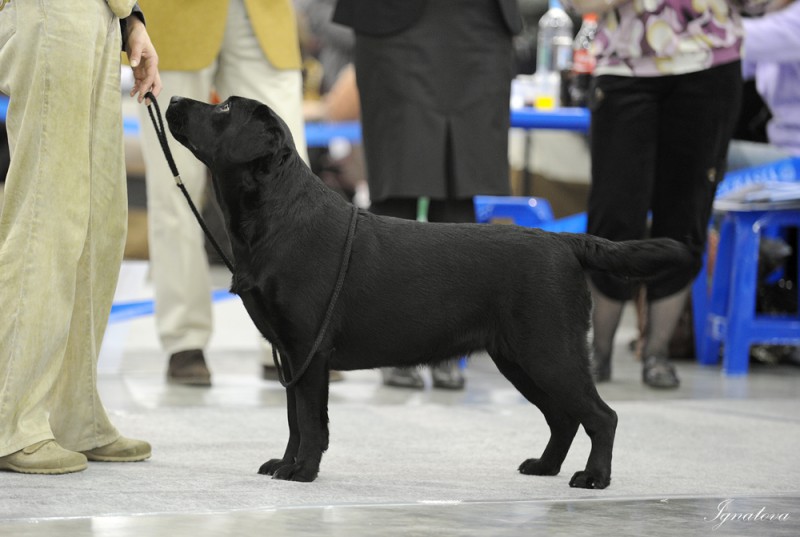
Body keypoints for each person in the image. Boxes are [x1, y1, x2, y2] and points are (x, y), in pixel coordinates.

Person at [560, 0, 768, 388]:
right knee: (613, 214)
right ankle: (597, 352)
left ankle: (657, 353)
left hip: (709, 62)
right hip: (624, 64)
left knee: (687, 213)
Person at [0, 1, 161, 474]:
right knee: (45, 218)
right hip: (52, 11)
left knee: (100, 224)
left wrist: (131, 21)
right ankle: (12, 419)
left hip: (100, 16)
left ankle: (75, 414)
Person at [333, 0, 523, 390]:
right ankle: (388, 343)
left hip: (479, 23)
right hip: (394, 22)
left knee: (461, 192)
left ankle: (449, 345)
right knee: (397, 189)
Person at [137, 0, 308, 386]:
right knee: (173, 185)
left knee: (287, 178)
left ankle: (288, 334)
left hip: (263, 13)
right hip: (174, 16)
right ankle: (184, 339)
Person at [727, 0, 800, 170]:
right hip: (782, 148)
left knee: (699, 156)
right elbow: (732, 65)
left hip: (794, 156)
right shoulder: (778, 14)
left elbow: (734, 39)